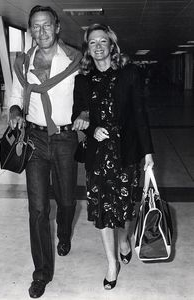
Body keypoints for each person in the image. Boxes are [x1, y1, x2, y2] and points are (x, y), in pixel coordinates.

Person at [72, 24, 154, 290]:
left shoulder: (129, 74)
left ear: (112, 45)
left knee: (127, 206)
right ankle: (111, 263)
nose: (97, 46)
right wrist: (91, 127)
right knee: (103, 212)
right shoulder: (82, 80)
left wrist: (148, 151)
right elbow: (79, 114)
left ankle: (124, 239)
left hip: (126, 152)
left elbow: (140, 113)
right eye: (92, 42)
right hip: (98, 156)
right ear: (88, 49)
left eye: (102, 41)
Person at [8, 5, 82, 298]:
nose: (42, 32)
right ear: (30, 31)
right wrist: (14, 110)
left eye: (47, 25)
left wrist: (87, 113)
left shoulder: (75, 59)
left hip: (65, 139)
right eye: (35, 27)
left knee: (65, 201)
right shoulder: (24, 62)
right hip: (35, 139)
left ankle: (64, 233)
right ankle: (42, 273)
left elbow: (86, 95)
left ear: (57, 27)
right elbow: (16, 95)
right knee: (38, 209)